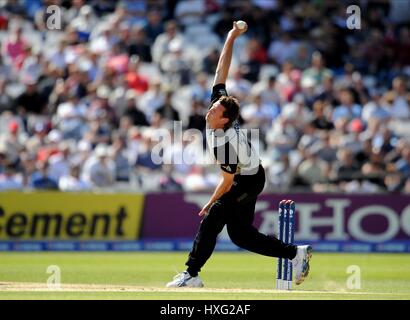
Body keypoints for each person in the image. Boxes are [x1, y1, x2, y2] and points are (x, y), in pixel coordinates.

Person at [166, 22, 312, 288]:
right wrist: (231, 37)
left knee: (215, 216)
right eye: (213, 107)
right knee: (241, 236)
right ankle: (295, 254)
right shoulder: (221, 109)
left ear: (224, 120)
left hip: (249, 180)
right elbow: (222, 69)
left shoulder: (224, 143)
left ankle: (191, 273)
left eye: (215, 111)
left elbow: (226, 183)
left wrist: (210, 202)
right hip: (247, 173)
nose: (209, 111)